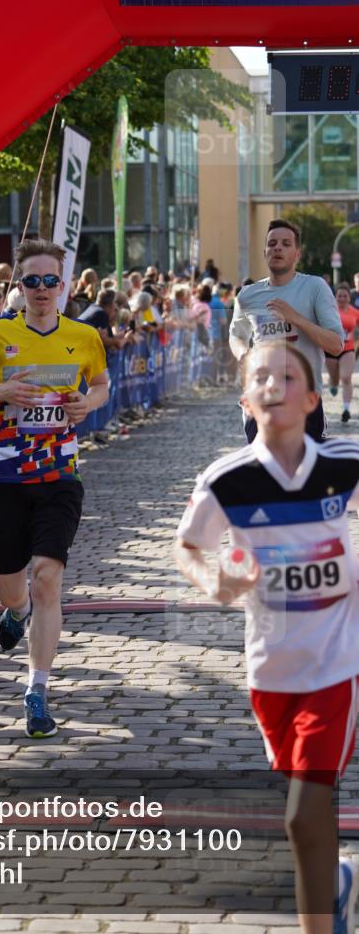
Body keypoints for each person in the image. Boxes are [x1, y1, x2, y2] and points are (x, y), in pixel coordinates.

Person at [175, 341, 359, 934]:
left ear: (311, 398)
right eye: (261, 377)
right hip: (269, 673)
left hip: (337, 668)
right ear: (246, 401)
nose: (274, 385)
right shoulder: (227, 480)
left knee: (305, 815)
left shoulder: (342, 463)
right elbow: (189, 547)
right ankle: (340, 883)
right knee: (305, 811)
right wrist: (217, 582)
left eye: (287, 376)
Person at [0, 238, 108, 738]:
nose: (41, 289)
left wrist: (88, 404)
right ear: (18, 285)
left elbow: (101, 384)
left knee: (47, 579)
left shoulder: (83, 336)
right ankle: (14, 609)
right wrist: (0, 390)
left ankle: (36, 691)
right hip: (2, 473)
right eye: (32, 280)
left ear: (63, 285)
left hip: (59, 473)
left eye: (50, 280)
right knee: (11, 584)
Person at [229, 219, 344, 442]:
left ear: (297, 254)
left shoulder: (314, 287)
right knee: (263, 472)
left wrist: (297, 319)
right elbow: (236, 335)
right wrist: (243, 353)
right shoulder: (247, 295)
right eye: (272, 243)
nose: (278, 248)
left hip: (304, 400)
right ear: (265, 252)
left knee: (305, 473)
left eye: (285, 243)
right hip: (261, 397)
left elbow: (336, 344)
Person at [325, 284, 359, 423]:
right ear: (335, 297)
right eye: (339, 295)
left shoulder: (355, 312)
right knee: (335, 379)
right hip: (331, 349)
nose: (342, 298)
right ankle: (332, 384)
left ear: (349, 298)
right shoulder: (328, 311)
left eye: (345, 296)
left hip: (348, 349)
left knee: (346, 378)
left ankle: (346, 409)